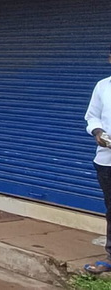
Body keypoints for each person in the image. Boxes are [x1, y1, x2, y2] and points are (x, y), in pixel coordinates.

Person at [85, 50, 111, 274]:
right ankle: (110, 257)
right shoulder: (103, 86)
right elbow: (92, 115)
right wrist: (98, 132)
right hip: (106, 161)